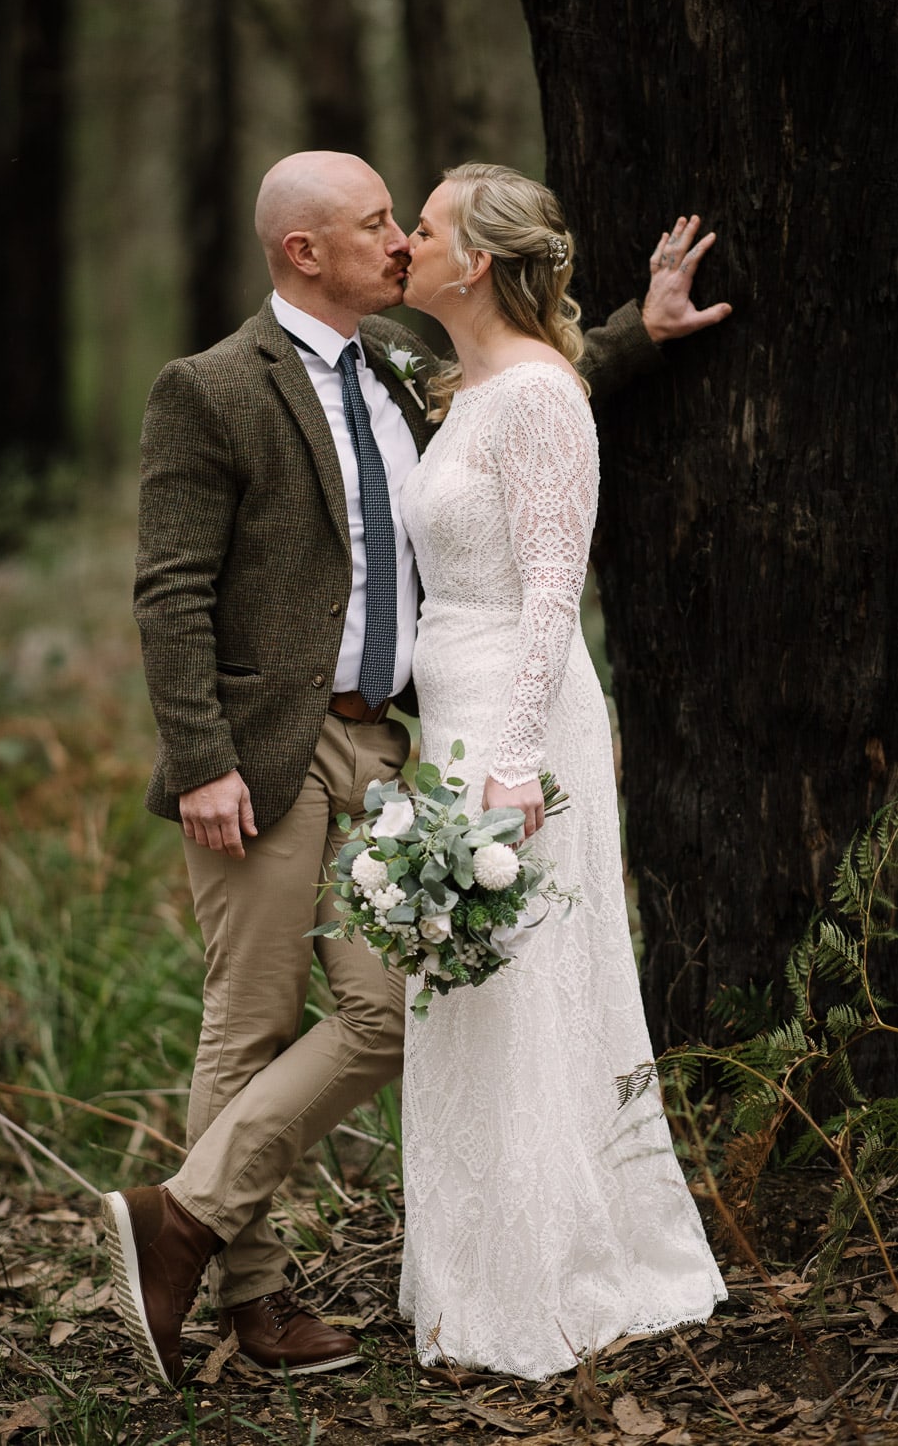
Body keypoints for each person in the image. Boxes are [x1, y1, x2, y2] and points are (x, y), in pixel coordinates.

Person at [101, 148, 728, 1390]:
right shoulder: (213, 388)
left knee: (392, 1009)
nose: (397, 241)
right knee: (253, 1016)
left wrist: (637, 333)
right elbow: (167, 588)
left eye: (409, 222)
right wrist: (202, 760)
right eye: (375, 223)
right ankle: (251, 1296)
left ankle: (178, 1212)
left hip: (398, 742)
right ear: (304, 253)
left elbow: (526, 400)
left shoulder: (399, 369)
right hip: (262, 752)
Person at [397, 163, 727, 1380]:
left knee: (529, 986)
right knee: (468, 991)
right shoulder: (467, 384)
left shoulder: (538, 396)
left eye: (421, 229)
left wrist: (518, 759)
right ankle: (471, 1271)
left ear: (473, 261)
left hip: (515, 719)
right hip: (451, 716)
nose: (404, 245)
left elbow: (551, 585)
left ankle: (554, 1278)